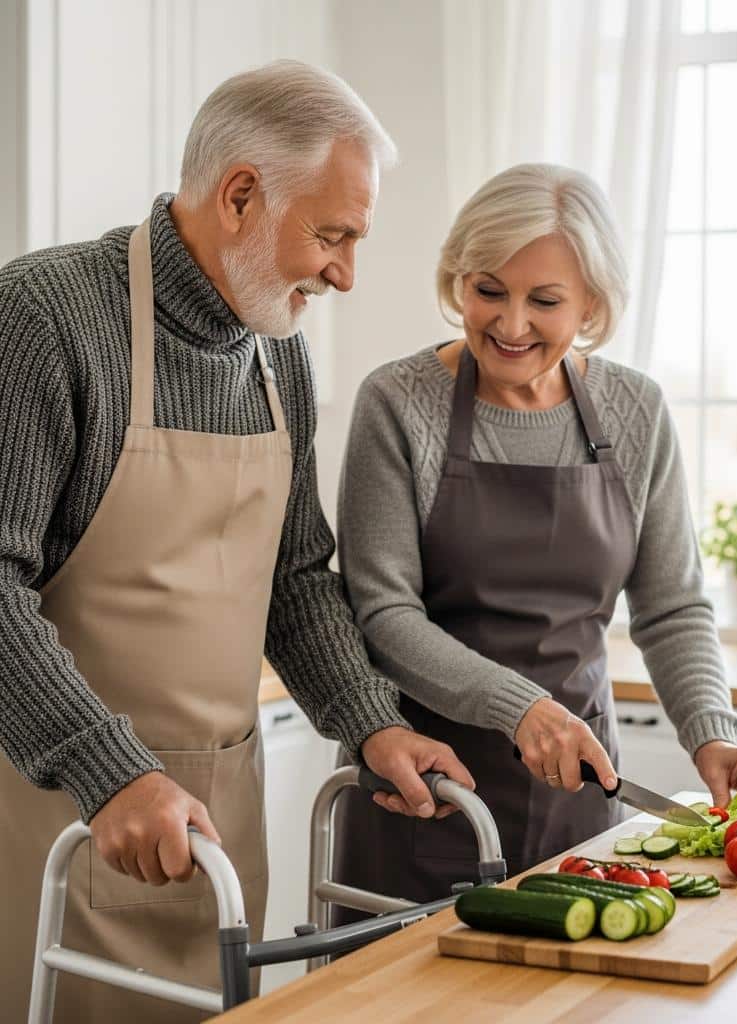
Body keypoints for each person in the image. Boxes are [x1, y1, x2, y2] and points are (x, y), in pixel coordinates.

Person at [0, 60, 472, 1022]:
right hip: (59, 817)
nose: (345, 273)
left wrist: (369, 720)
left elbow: (295, 577)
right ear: (241, 197)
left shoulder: (278, 350)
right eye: (332, 235)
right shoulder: (44, 317)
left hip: (217, 825)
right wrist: (108, 770)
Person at [332, 163, 737, 905]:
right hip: (428, 790)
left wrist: (712, 733)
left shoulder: (635, 410)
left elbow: (672, 607)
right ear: (457, 279)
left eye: (545, 300)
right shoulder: (398, 404)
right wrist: (521, 709)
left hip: (577, 791)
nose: (509, 325)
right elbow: (384, 615)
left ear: (592, 303)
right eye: (488, 290)